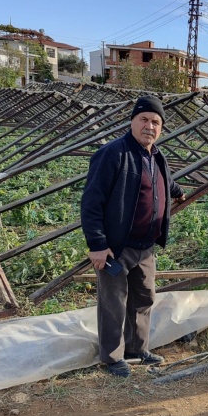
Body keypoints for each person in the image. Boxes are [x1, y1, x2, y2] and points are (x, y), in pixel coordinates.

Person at [81, 95, 186, 377]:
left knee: (144, 298)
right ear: (132, 122)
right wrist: (98, 245)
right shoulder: (113, 154)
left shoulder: (156, 156)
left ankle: (137, 348)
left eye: (155, 122)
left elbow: (163, 180)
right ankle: (112, 357)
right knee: (114, 303)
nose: (149, 126)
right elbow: (92, 202)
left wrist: (176, 192)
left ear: (161, 127)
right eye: (144, 119)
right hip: (117, 247)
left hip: (146, 246)